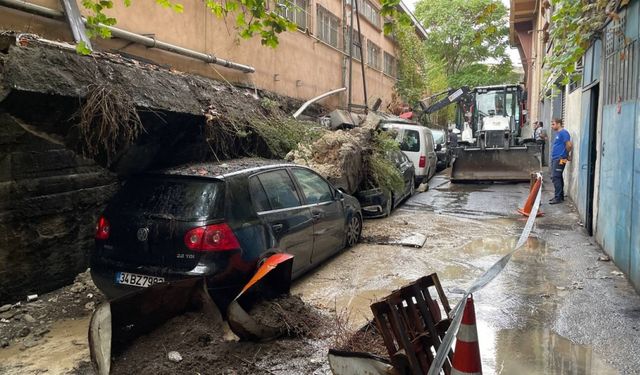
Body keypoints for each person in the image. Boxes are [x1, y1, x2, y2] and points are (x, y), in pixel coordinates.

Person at [549, 118, 572, 204]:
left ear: (559, 124)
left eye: (553, 124)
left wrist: (565, 155)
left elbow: (569, 145)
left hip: (560, 158)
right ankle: (560, 196)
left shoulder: (564, 133)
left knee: (556, 177)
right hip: (556, 158)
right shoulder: (558, 134)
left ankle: (558, 197)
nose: (552, 126)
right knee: (558, 176)